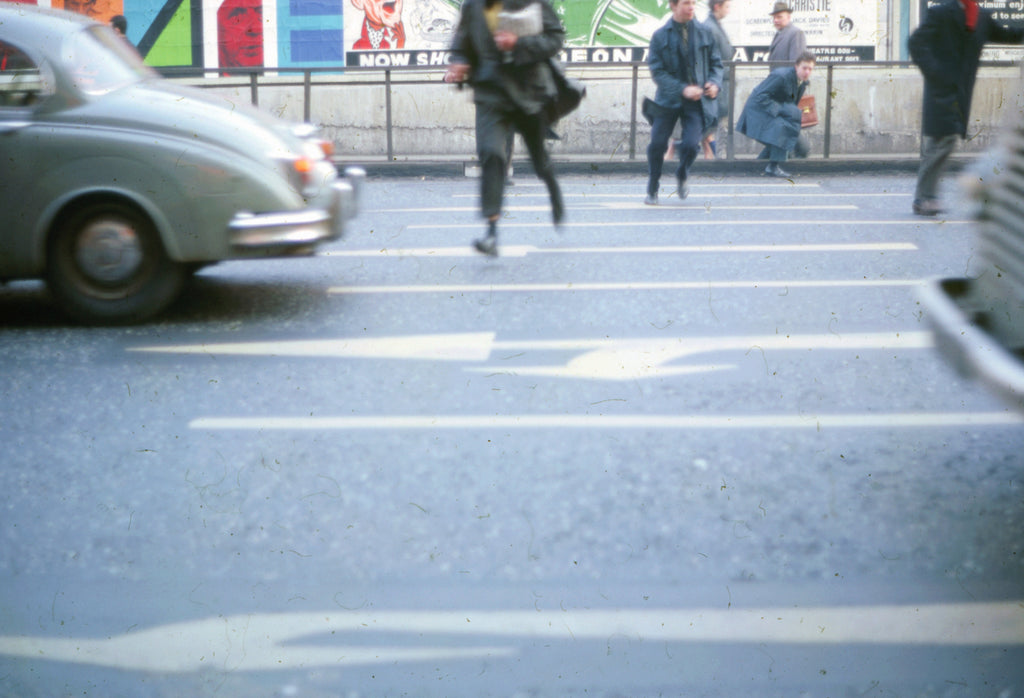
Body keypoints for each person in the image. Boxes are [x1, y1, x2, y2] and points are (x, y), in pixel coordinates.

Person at [444, 0, 565, 257]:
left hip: (527, 92)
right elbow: (460, 44)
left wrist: (518, 44)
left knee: (538, 160)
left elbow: (555, 38)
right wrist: (458, 62)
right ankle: (491, 233)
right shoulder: (473, 6)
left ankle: (552, 188)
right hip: (490, 93)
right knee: (491, 152)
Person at [908, 0, 1024, 216]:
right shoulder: (941, 13)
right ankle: (924, 197)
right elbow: (916, 42)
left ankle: (925, 197)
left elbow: (1008, 35)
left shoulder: (981, 16)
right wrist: (935, 72)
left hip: (960, 92)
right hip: (940, 90)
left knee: (938, 142)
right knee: (944, 139)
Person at [644, 0, 722, 205]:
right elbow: (657, 72)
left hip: (696, 102)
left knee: (690, 145)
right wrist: (682, 89)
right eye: (686, 3)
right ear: (673, 5)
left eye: (693, 3)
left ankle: (682, 174)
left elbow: (716, 64)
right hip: (668, 100)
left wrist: (714, 83)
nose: (691, 7)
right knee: (657, 145)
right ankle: (653, 186)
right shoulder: (660, 36)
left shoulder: (705, 32)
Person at [736, 51, 815, 178]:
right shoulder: (781, 76)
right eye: (804, 68)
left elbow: (791, 102)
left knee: (801, 146)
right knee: (783, 132)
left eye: (810, 69)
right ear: (796, 67)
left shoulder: (802, 82)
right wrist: (783, 111)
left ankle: (760, 165)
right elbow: (761, 97)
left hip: (774, 113)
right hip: (758, 112)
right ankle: (772, 167)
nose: (807, 72)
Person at [701, 0, 732, 159]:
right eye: (726, 6)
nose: (729, 9)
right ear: (716, 7)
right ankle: (718, 158)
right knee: (715, 125)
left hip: (721, 82)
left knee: (715, 125)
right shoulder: (710, 27)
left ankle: (716, 157)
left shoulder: (714, 25)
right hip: (718, 83)